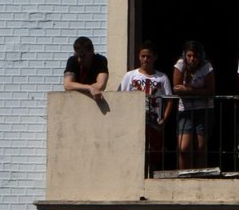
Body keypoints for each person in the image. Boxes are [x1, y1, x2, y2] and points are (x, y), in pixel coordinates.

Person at [119, 40, 172, 173]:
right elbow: (121, 97)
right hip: (134, 123)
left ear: (155, 57)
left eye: (148, 56)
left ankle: (150, 180)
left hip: (154, 123)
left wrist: (164, 119)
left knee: (152, 154)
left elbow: (170, 100)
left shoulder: (162, 78)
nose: (145, 59)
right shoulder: (130, 76)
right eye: (143, 56)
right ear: (138, 56)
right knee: (135, 153)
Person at [172, 40, 215, 170]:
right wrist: (199, 92)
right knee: (184, 147)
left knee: (200, 147)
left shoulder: (206, 66)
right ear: (185, 55)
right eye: (189, 55)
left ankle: (200, 175)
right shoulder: (180, 65)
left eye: (195, 56)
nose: (192, 59)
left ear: (200, 56)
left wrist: (189, 90)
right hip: (185, 110)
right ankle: (184, 175)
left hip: (204, 109)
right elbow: (177, 88)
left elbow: (211, 90)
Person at [63, 36, 108, 102]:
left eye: (82, 56)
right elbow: (67, 85)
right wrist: (89, 88)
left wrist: (76, 86)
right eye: (76, 55)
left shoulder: (100, 60)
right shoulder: (72, 60)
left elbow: (101, 86)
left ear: (92, 51)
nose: (79, 60)